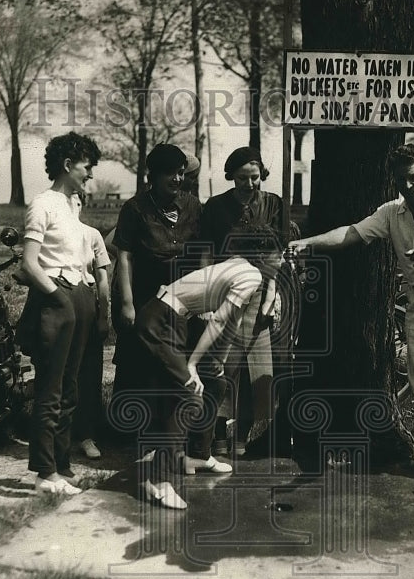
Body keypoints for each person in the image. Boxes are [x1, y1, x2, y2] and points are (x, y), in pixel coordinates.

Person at [289, 144, 414, 492]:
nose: (407, 186)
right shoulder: (393, 212)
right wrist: (308, 243)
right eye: (400, 180)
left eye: (413, 178)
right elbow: (353, 232)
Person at [133, 226, 284, 509]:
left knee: (216, 383)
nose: (284, 261)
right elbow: (216, 321)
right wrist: (191, 365)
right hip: (161, 320)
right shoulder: (250, 275)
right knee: (189, 393)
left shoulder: (242, 268)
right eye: (280, 254)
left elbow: (233, 321)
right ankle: (157, 479)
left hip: (173, 320)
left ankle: (198, 456)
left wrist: (217, 363)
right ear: (264, 255)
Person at [16, 132, 101, 495]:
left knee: (70, 388)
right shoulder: (43, 203)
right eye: (86, 167)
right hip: (55, 298)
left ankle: (62, 466)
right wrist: (58, 298)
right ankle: (44, 474)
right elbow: (29, 264)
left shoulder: (73, 205)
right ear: (67, 166)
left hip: (78, 294)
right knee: (50, 388)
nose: (90, 174)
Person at [110, 144, 203, 437]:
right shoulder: (135, 208)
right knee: (141, 362)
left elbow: (202, 252)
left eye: (179, 173)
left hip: (183, 297)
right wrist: (127, 303)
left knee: (178, 358)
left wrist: (202, 295)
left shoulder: (193, 206)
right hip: (145, 294)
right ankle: (134, 430)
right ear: (153, 176)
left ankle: (177, 429)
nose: (176, 179)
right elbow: (123, 255)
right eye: (169, 174)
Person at [200, 147, 287, 455]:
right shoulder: (215, 207)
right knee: (223, 365)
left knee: (255, 367)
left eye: (255, 178)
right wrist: (207, 294)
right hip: (225, 290)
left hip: (261, 290)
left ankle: (243, 437)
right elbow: (207, 251)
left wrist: (271, 295)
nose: (250, 185)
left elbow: (278, 252)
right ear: (230, 177)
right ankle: (219, 434)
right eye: (242, 179)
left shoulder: (273, 204)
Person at [68, 191, 111, 461]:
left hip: (86, 306)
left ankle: (86, 434)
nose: (73, 207)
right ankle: (57, 434)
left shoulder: (91, 234)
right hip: (58, 307)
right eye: (67, 201)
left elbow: (103, 279)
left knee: (89, 374)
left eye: (78, 202)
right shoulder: (47, 237)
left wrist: (103, 315)